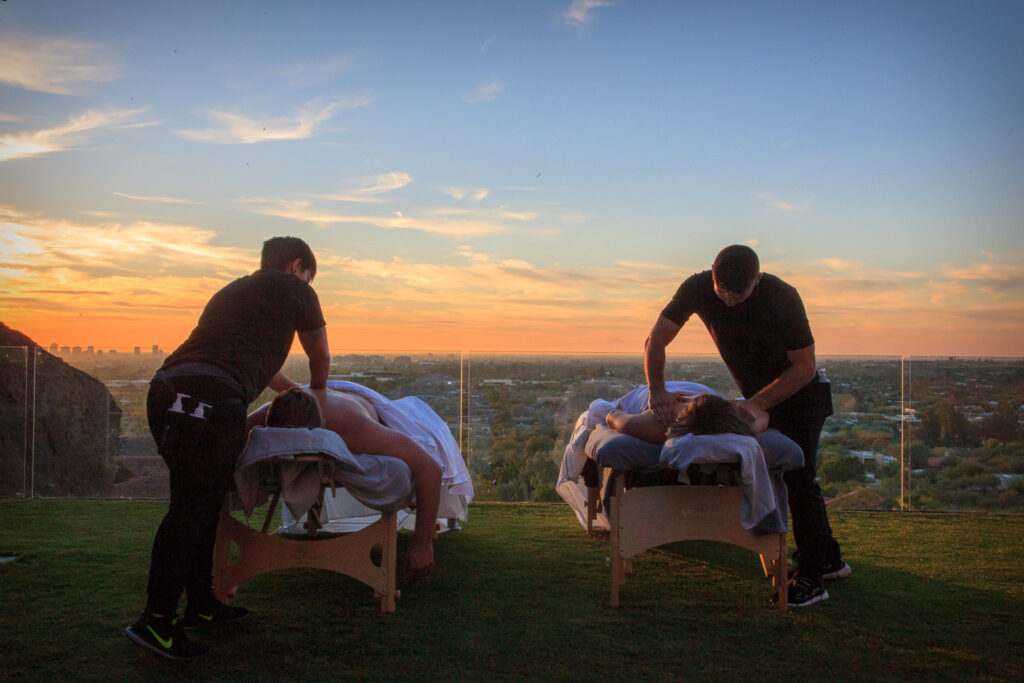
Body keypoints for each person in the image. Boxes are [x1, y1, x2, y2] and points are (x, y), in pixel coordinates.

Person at [126, 236, 331, 660]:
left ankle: (200, 606)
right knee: (191, 509)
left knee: (203, 503)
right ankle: (156, 622)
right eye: (309, 277)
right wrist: (320, 400)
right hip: (212, 399)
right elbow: (320, 358)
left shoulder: (233, 292)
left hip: (168, 392)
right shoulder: (298, 290)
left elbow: (259, 365)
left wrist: (292, 393)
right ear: (297, 267)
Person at [644, 244, 848, 608]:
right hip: (759, 398)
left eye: (741, 295)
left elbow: (804, 367)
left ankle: (813, 579)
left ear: (758, 278)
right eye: (723, 294)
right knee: (791, 474)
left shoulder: (783, 296)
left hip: (802, 395)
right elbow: (655, 339)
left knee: (799, 475)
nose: (730, 304)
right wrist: (657, 391)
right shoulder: (697, 288)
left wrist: (755, 404)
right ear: (712, 274)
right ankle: (830, 559)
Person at [252, 388, 442, 581]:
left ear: (324, 430)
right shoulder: (260, 421)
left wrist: (422, 544)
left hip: (365, 407)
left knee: (425, 440)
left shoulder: (354, 429)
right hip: (325, 396)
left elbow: (430, 467)